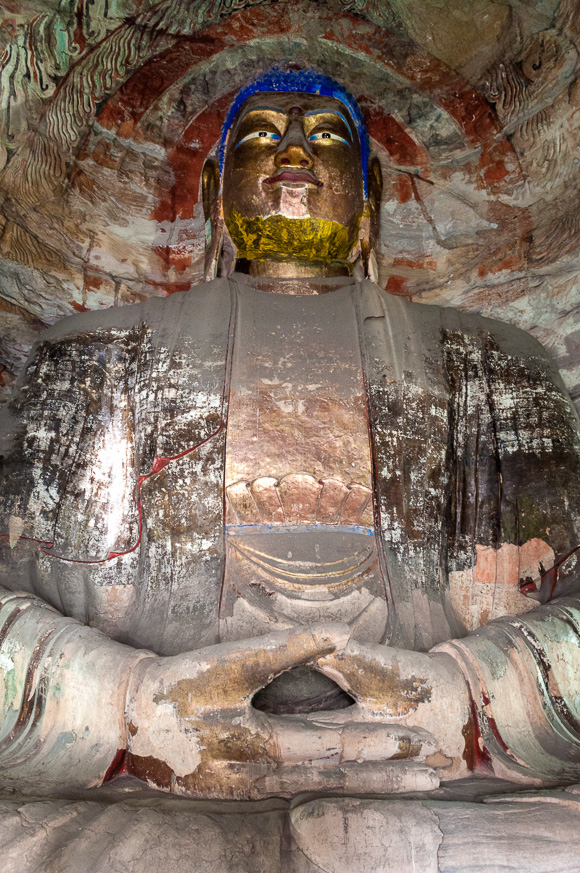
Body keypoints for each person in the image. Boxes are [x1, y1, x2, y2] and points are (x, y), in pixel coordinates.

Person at [1, 68, 580, 868]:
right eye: (263, 135)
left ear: (370, 194)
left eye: (326, 135)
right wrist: (124, 710)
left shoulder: (493, 364)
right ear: (215, 192)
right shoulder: (92, 356)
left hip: (441, 794)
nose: (296, 152)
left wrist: (469, 702)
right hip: (144, 796)